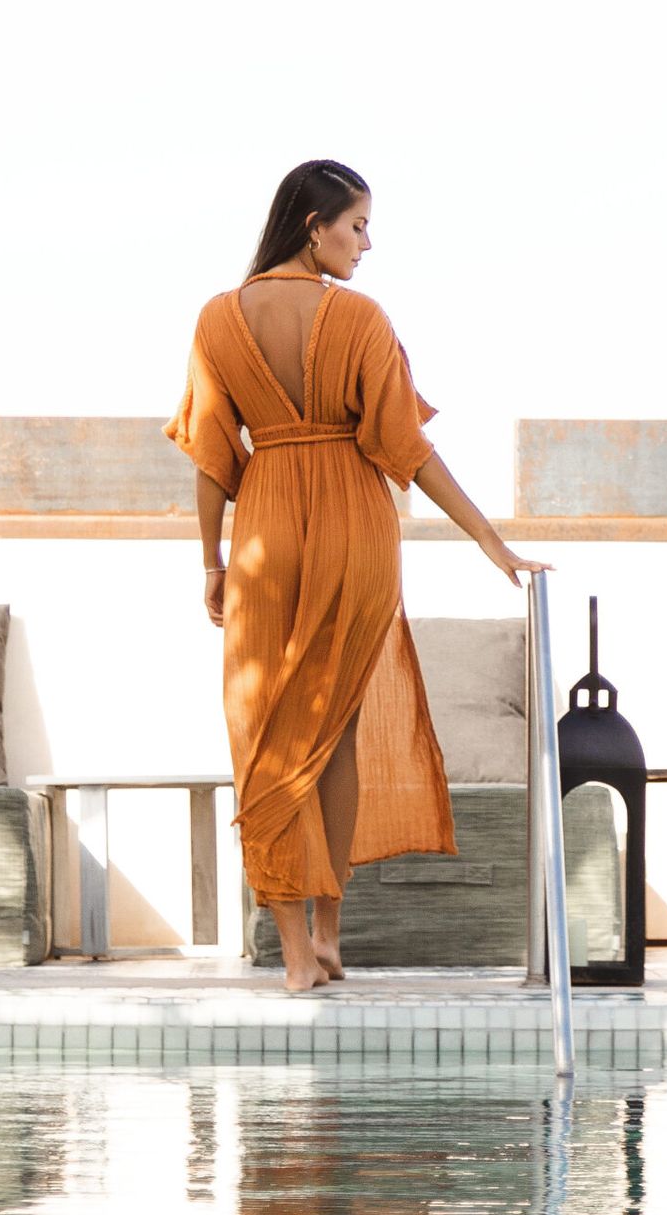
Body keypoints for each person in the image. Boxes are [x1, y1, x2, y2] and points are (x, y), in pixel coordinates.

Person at [167, 159, 550, 992]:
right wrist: (492, 542)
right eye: (357, 226)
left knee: (265, 737)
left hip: (266, 517)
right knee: (334, 729)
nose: (367, 244)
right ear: (314, 224)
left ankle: (296, 952)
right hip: (354, 524)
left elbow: (208, 453)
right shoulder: (361, 319)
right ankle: (331, 937)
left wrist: (212, 559)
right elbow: (407, 451)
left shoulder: (217, 320)